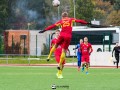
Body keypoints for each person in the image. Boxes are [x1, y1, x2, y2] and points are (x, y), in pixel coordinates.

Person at [39, 12, 90, 78]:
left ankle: (49, 56)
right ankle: (59, 65)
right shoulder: (71, 19)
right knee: (64, 51)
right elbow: (79, 21)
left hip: (62, 35)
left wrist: (44, 30)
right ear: (67, 16)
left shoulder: (61, 21)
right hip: (68, 37)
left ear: (62, 17)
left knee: (55, 45)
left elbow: (52, 26)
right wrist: (86, 23)